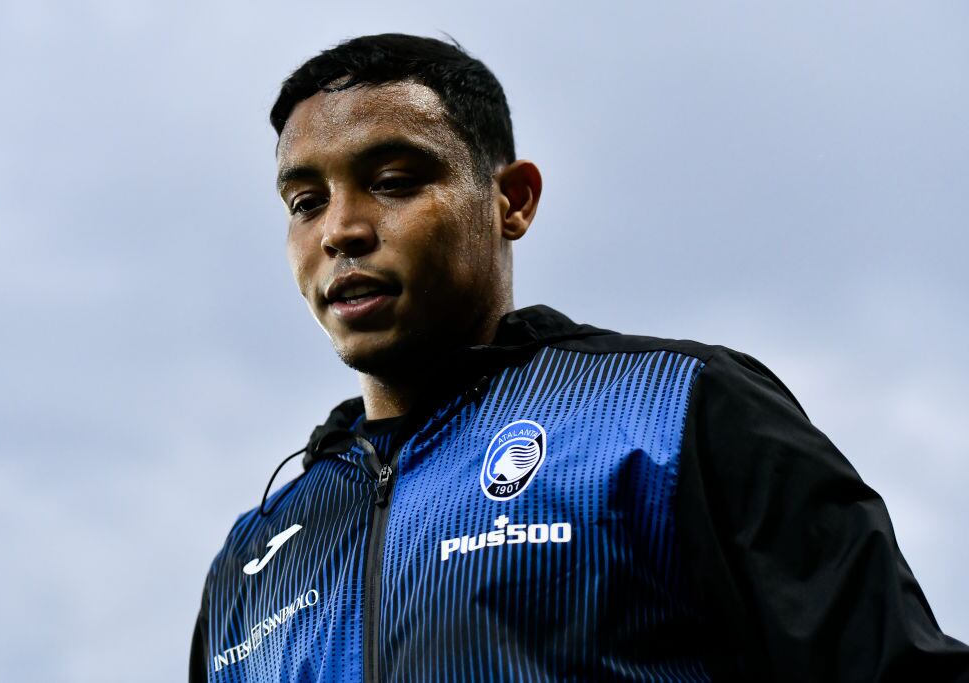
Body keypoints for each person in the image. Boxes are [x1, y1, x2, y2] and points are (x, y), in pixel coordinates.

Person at [190, 33, 969, 682]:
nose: (340, 230)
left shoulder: (675, 411)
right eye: (306, 202)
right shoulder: (251, 561)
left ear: (512, 200)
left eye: (392, 182)